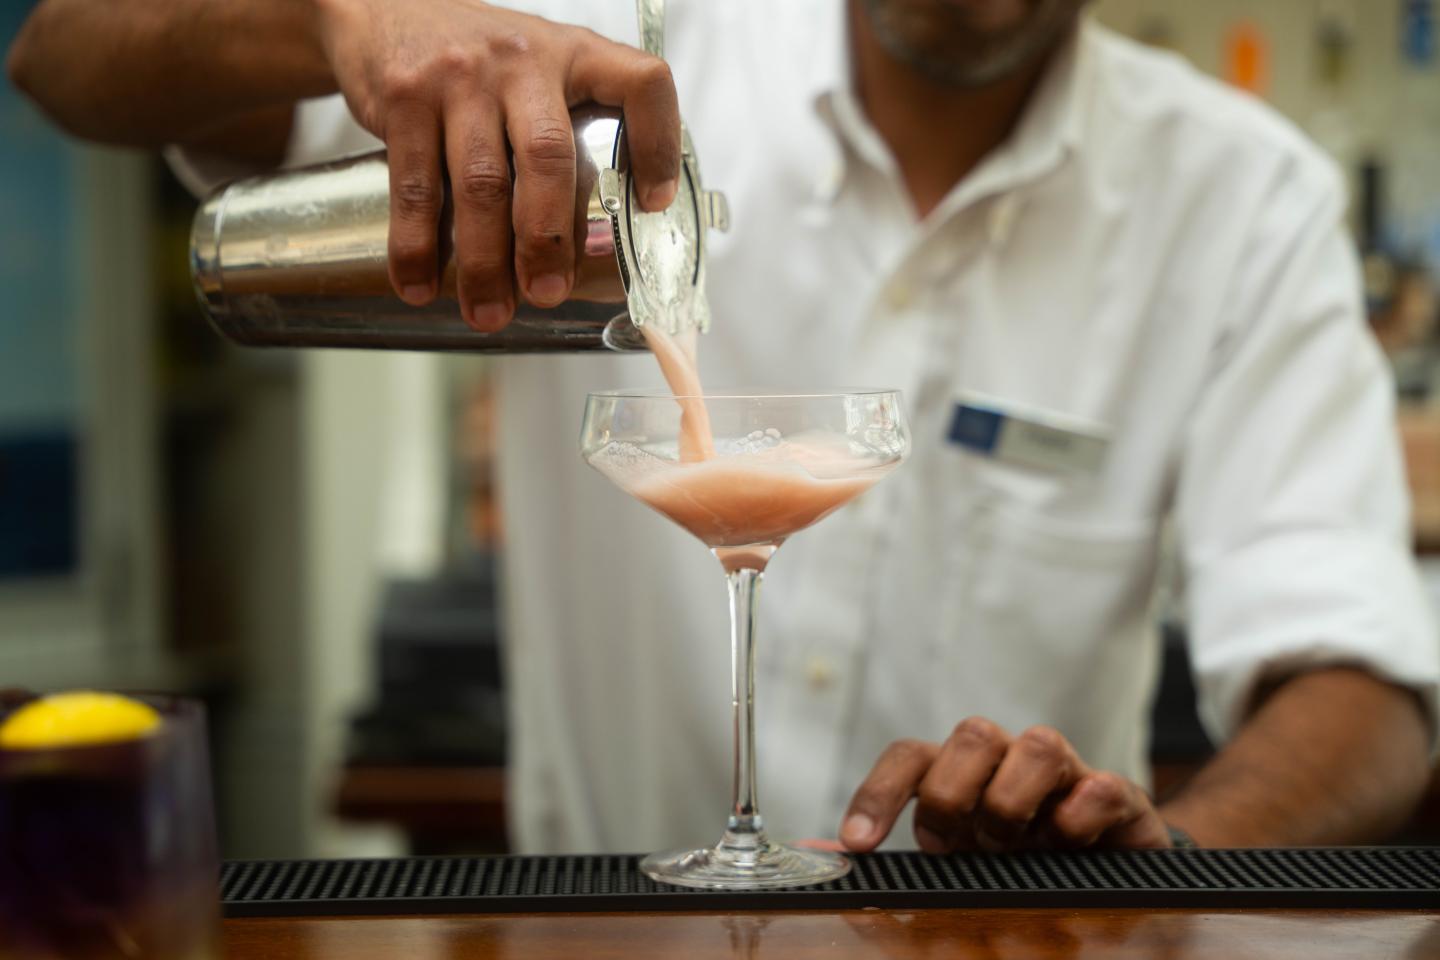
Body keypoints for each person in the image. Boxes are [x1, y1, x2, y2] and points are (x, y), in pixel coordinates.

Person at [10, 0, 1438, 855]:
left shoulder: (1241, 198)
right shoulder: (608, 50)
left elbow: (1365, 688)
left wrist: (1155, 866)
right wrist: (341, 19)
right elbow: (62, 53)